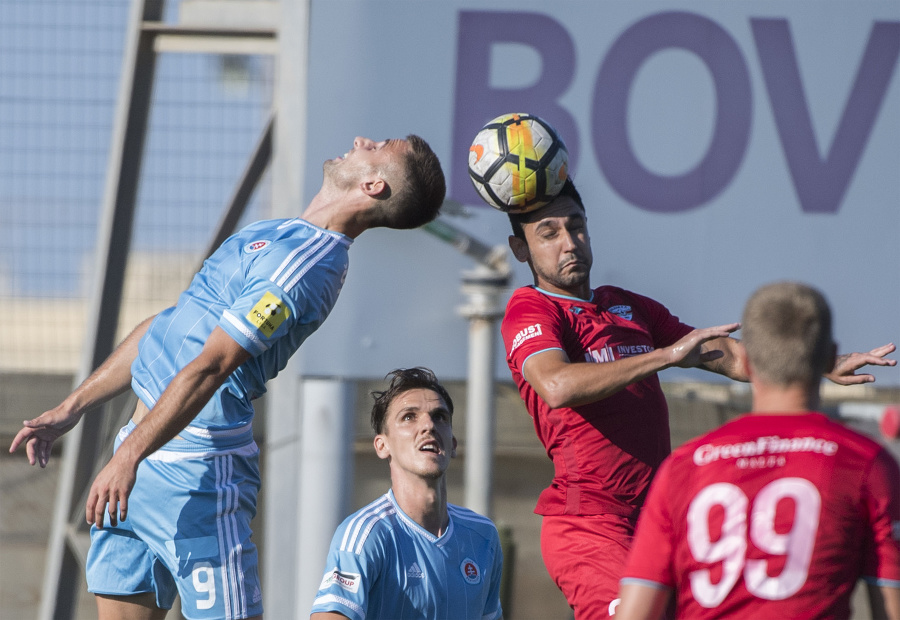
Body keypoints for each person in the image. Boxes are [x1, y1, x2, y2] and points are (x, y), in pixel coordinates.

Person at [9, 135, 446, 620]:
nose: (362, 139)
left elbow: (214, 366)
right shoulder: (280, 232)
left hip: (198, 474)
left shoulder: (306, 266)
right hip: (140, 456)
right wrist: (71, 409)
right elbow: (170, 326)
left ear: (373, 184)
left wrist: (130, 455)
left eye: (379, 145)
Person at [499, 178, 897, 620]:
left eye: (576, 227)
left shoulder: (629, 307)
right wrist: (664, 357)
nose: (569, 243)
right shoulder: (531, 310)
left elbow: (725, 354)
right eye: (549, 233)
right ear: (521, 249)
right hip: (589, 525)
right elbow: (557, 386)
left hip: (657, 519)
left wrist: (819, 364)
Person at [616, 281, 900, 619]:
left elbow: (634, 613)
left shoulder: (683, 467)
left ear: (747, 362)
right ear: (828, 357)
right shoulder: (866, 463)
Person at [309, 367, 504, 620]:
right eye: (409, 417)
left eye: (440, 416)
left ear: (453, 445)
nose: (429, 425)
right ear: (382, 445)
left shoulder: (483, 535)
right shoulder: (365, 533)